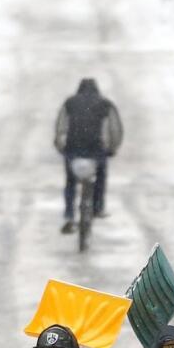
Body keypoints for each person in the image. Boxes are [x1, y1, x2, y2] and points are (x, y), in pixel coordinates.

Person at [53, 79, 123, 233]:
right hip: (96, 149)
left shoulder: (70, 103)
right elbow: (115, 129)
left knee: (70, 181)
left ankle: (69, 215)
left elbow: (60, 127)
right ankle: (97, 207)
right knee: (101, 175)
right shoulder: (105, 104)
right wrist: (112, 148)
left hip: (73, 149)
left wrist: (60, 147)